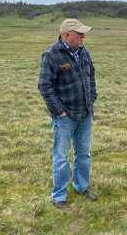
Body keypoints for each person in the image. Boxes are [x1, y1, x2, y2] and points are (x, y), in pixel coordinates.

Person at [38, 18, 98, 208]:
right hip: (65, 116)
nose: (83, 36)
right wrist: (60, 112)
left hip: (85, 112)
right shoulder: (51, 54)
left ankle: (81, 186)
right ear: (66, 35)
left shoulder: (83, 51)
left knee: (83, 153)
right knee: (61, 157)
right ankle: (59, 195)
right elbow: (45, 86)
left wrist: (92, 97)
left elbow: (91, 75)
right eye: (79, 33)